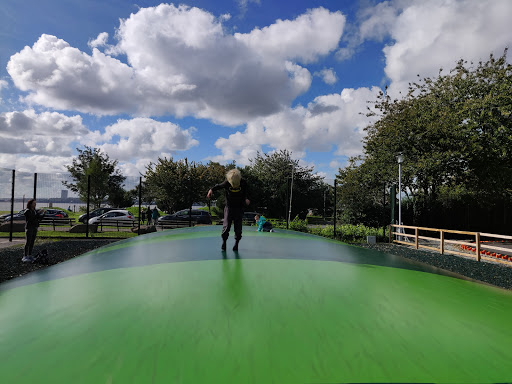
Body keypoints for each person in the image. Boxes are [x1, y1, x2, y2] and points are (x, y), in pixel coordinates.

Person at [207, 169, 250, 251]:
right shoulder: (227, 182)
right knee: (226, 227)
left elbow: (246, 192)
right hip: (229, 207)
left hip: (239, 208)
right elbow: (218, 186)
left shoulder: (243, 182)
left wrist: (247, 199)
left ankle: (236, 243)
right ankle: (224, 242)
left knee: (238, 229)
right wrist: (211, 189)